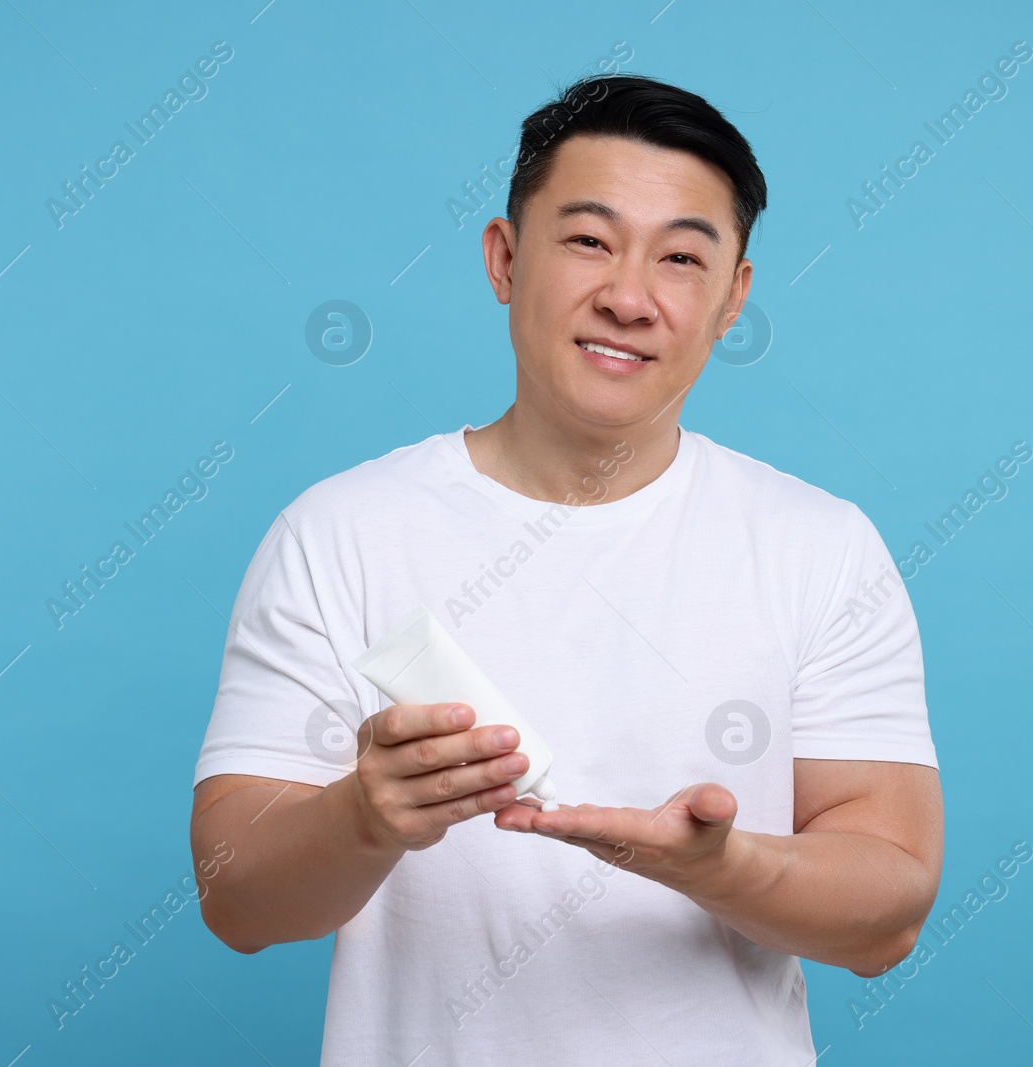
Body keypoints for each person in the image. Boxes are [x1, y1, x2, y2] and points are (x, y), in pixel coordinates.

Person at [189, 72, 943, 1065]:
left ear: (732, 298)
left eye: (681, 257)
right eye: (588, 240)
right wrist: (363, 814)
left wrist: (719, 865)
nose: (628, 297)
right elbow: (236, 898)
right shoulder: (341, 532)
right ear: (504, 258)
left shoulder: (819, 545)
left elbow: (884, 919)